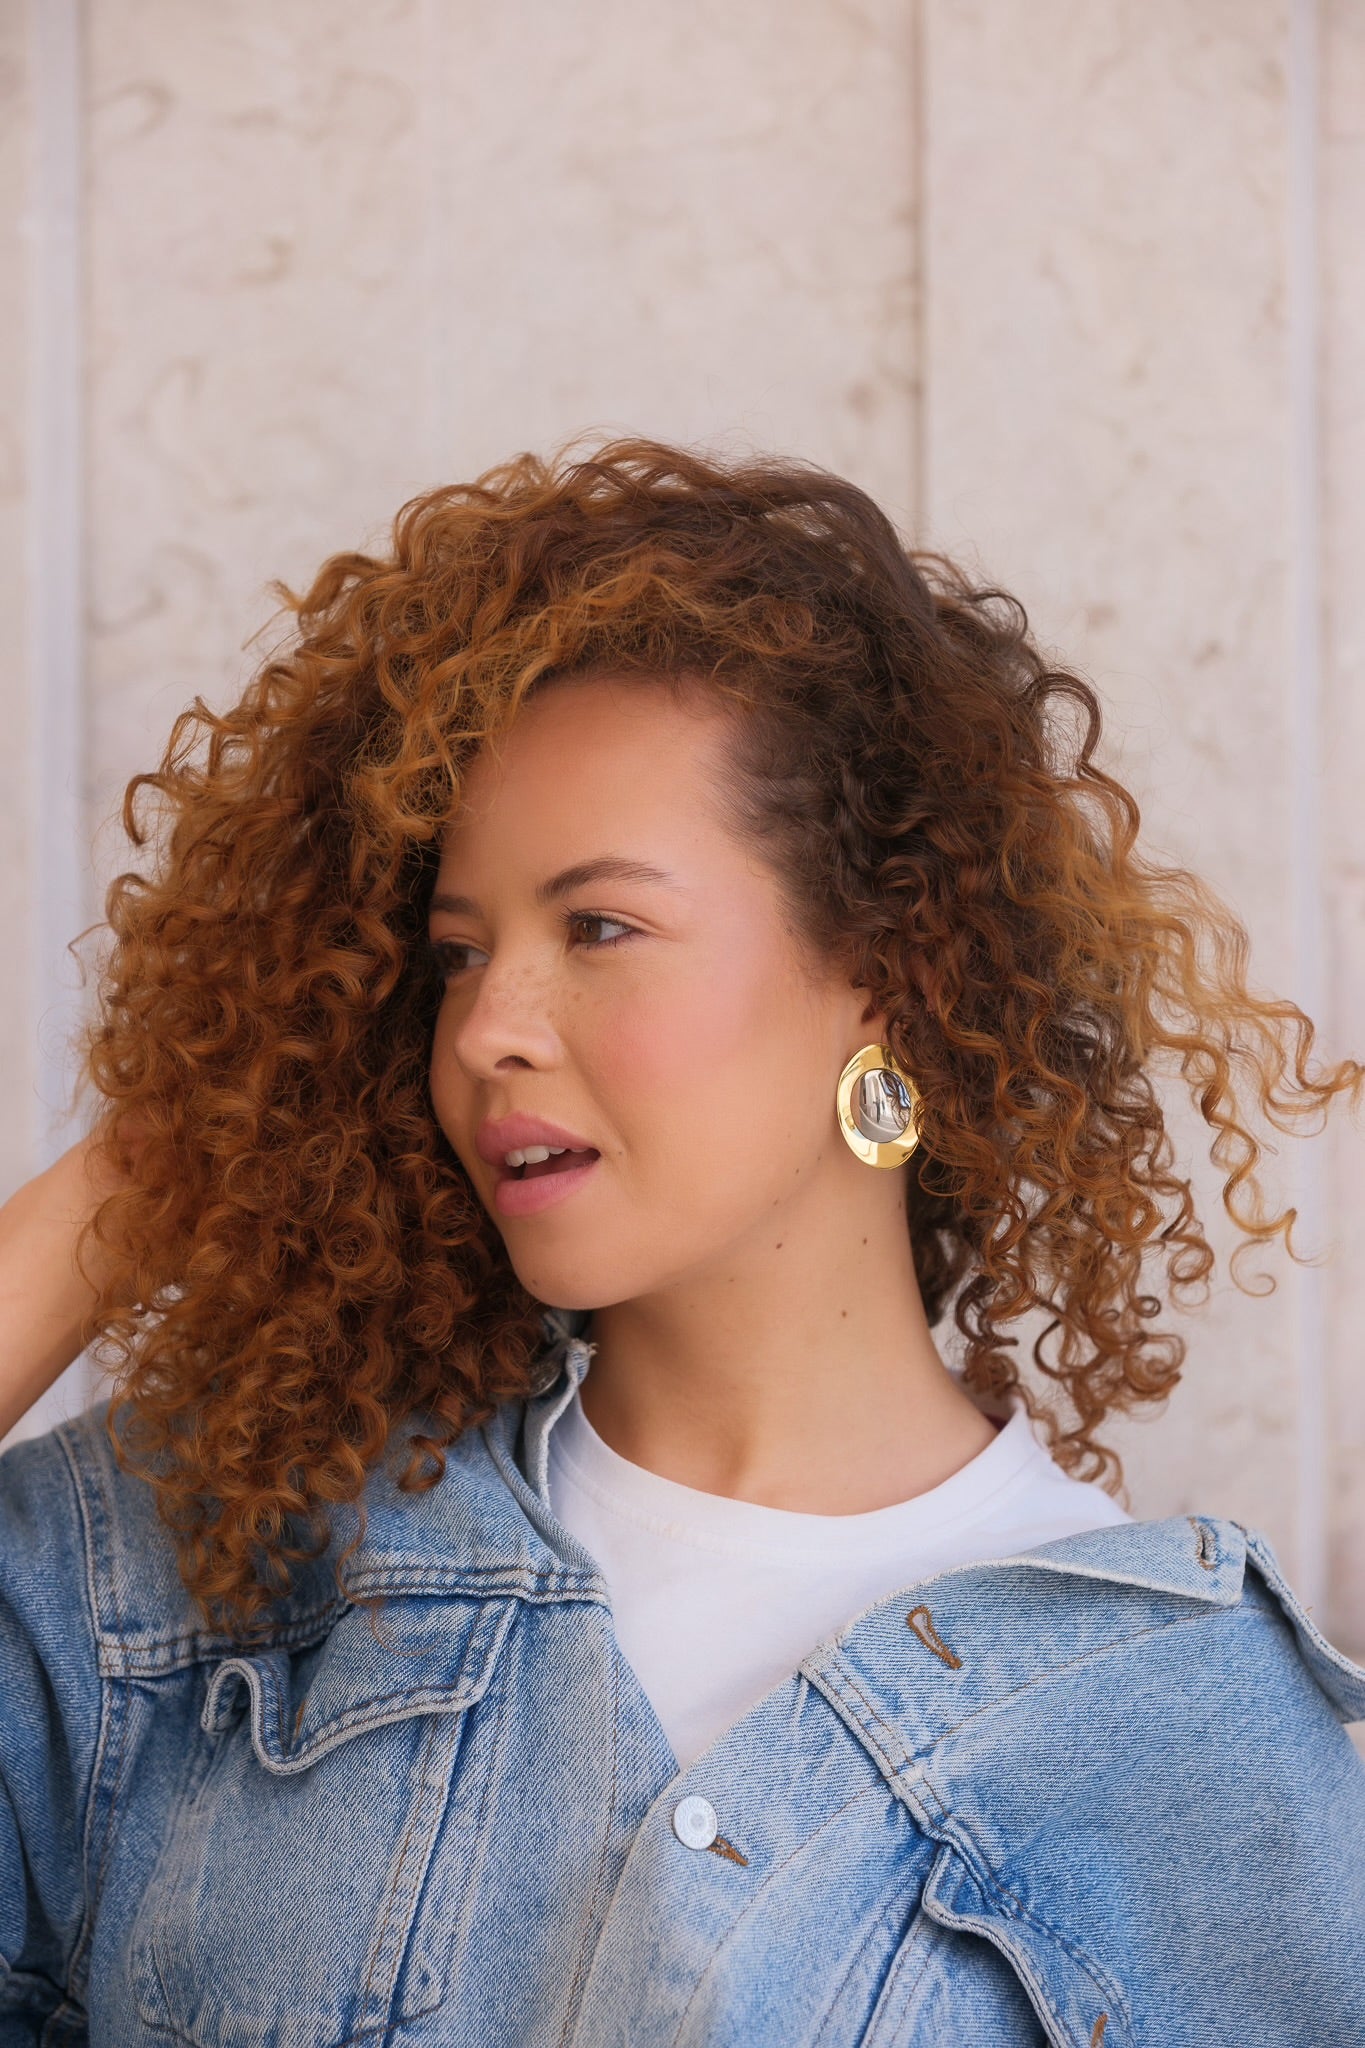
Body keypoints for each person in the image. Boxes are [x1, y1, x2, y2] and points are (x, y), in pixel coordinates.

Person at [1, 439, 1362, 2047]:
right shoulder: (203, 1570)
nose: (488, 1030)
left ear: (884, 977)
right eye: (454, 955)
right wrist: (176, 1149)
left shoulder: (1189, 1742)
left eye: (599, 927)